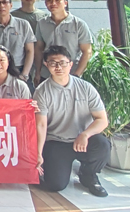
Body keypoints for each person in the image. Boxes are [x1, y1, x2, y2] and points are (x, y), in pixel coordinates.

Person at [34, 45, 110, 197]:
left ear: (70, 64)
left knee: (102, 145)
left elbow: (102, 120)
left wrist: (85, 134)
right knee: (55, 185)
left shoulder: (86, 88)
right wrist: (38, 153)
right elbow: (41, 125)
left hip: (83, 139)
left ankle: (88, 174)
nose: (58, 67)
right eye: (53, 63)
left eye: (62, 63)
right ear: (46, 65)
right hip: (56, 141)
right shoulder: (41, 91)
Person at [34, 0, 92, 86]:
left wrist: (77, 74)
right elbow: (39, 49)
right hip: (47, 74)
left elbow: (87, 51)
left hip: (71, 74)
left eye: (57, 0)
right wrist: (38, 72)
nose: (53, 3)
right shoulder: (42, 23)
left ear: (65, 3)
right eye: (49, 0)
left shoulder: (78, 24)